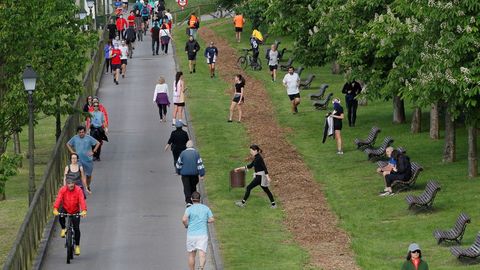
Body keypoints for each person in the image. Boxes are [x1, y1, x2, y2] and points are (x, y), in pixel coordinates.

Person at [234, 144, 276, 208]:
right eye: (250, 151)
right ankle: (273, 204)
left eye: (251, 151)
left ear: (256, 150)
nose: (250, 152)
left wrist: (268, 177)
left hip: (260, 177)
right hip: (260, 176)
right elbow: (250, 166)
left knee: (248, 188)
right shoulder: (256, 157)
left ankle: (242, 203)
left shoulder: (259, 158)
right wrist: (239, 168)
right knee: (266, 190)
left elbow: (265, 168)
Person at [53, 178, 87, 256]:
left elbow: (82, 200)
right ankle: (63, 228)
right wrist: (55, 208)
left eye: (72, 184)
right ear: (67, 184)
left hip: (75, 210)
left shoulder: (78, 190)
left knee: (76, 228)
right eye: (69, 184)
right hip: (65, 208)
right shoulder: (63, 190)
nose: (71, 185)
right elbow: (59, 199)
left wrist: (84, 210)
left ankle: (77, 246)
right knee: (60, 215)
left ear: (74, 184)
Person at [182, 191, 214, 270]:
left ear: (192, 199)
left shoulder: (189, 209)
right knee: (202, 253)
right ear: (200, 199)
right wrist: (205, 220)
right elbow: (212, 219)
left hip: (191, 234)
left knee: (191, 255)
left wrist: (186, 225)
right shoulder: (206, 208)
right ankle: (201, 267)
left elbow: (184, 219)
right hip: (202, 234)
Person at [66, 126, 100, 190]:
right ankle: (79, 188)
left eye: (83, 132)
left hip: (88, 160)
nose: (81, 133)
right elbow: (68, 144)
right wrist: (72, 152)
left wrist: (93, 151)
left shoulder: (89, 138)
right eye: (80, 132)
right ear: (77, 133)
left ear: (85, 132)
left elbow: (98, 143)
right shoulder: (75, 138)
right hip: (78, 160)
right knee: (78, 174)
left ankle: (88, 185)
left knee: (88, 175)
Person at [176, 140, 205, 207]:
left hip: (185, 174)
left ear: (186, 146)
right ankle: (194, 199)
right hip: (194, 174)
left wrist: (178, 171)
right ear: (192, 146)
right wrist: (202, 174)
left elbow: (178, 164)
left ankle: (188, 201)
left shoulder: (183, 153)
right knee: (193, 186)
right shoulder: (196, 153)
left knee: (186, 187)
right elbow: (200, 164)